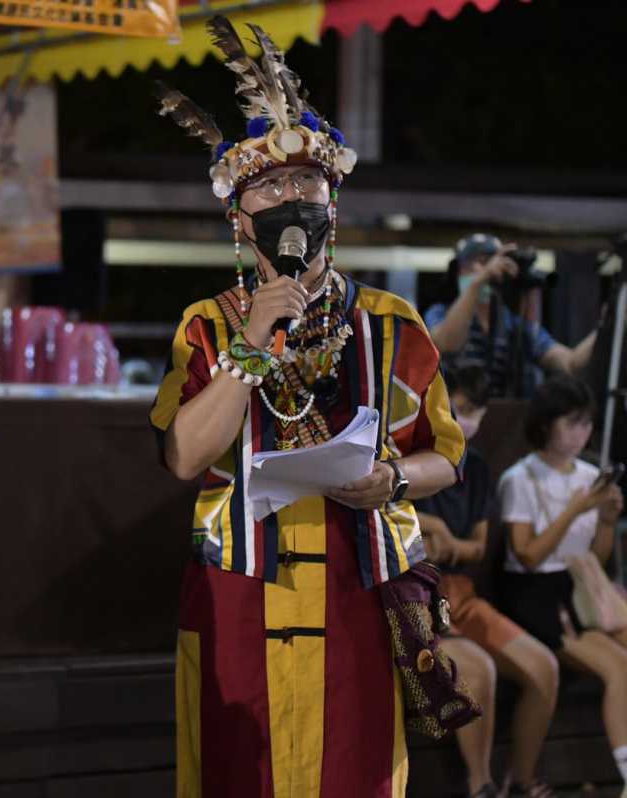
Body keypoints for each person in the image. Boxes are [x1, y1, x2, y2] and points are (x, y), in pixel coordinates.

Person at [150, 19, 465, 798]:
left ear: (334, 198)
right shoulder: (207, 324)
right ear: (238, 212)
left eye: (305, 183)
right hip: (241, 596)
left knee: (354, 774)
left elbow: (446, 456)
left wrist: (393, 477)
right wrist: (254, 339)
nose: (290, 198)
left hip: (361, 594)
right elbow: (186, 457)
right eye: (269, 186)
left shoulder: (393, 323)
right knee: (236, 775)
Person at [414, 366, 560, 798]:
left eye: (476, 410)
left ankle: (522, 780)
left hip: (462, 593)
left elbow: (476, 547)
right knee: (480, 671)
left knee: (543, 668)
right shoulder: (406, 451)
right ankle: (482, 786)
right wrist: (431, 527)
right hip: (417, 596)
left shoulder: (474, 466)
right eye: (461, 408)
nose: (468, 420)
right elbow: (386, 515)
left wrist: (446, 542)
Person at [498, 375, 627, 798]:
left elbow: (598, 555)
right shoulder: (520, 478)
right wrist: (575, 509)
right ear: (546, 424)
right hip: (534, 595)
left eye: (586, 424)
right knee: (617, 669)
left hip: (577, 589)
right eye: (571, 423)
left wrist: (606, 520)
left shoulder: (590, 474)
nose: (580, 433)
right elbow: (528, 555)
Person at [424, 234, 596, 398]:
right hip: (452, 419)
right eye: (473, 264)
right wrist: (478, 282)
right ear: (458, 273)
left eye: (489, 262)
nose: (482, 269)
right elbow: (446, 345)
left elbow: (570, 364)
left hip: (503, 418)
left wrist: (605, 323)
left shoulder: (513, 324)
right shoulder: (439, 313)